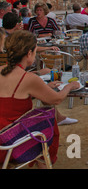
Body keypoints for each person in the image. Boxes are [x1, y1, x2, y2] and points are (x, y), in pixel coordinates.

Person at [0, 30, 80, 167]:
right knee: (49, 118)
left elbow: (11, 101)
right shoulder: (29, 79)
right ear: (29, 53)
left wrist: (42, 87)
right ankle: (44, 162)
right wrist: (70, 86)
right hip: (11, 140)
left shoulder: (3, 70)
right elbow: (56, 100)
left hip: (3, 134)